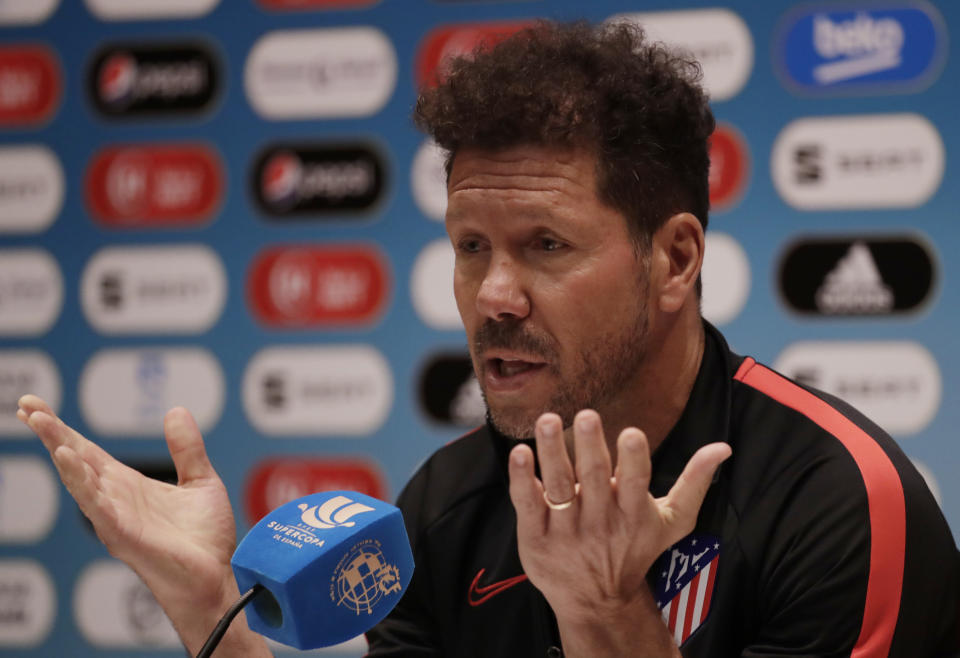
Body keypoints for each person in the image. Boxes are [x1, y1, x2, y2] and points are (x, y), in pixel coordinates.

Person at [18, 20, 958, 658]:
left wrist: (605, 614)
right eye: (471, 247)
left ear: (674, 262)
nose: (492, 295)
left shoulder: (839, 502)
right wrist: (209, 610)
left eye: (545, 246)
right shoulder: (447, 505)